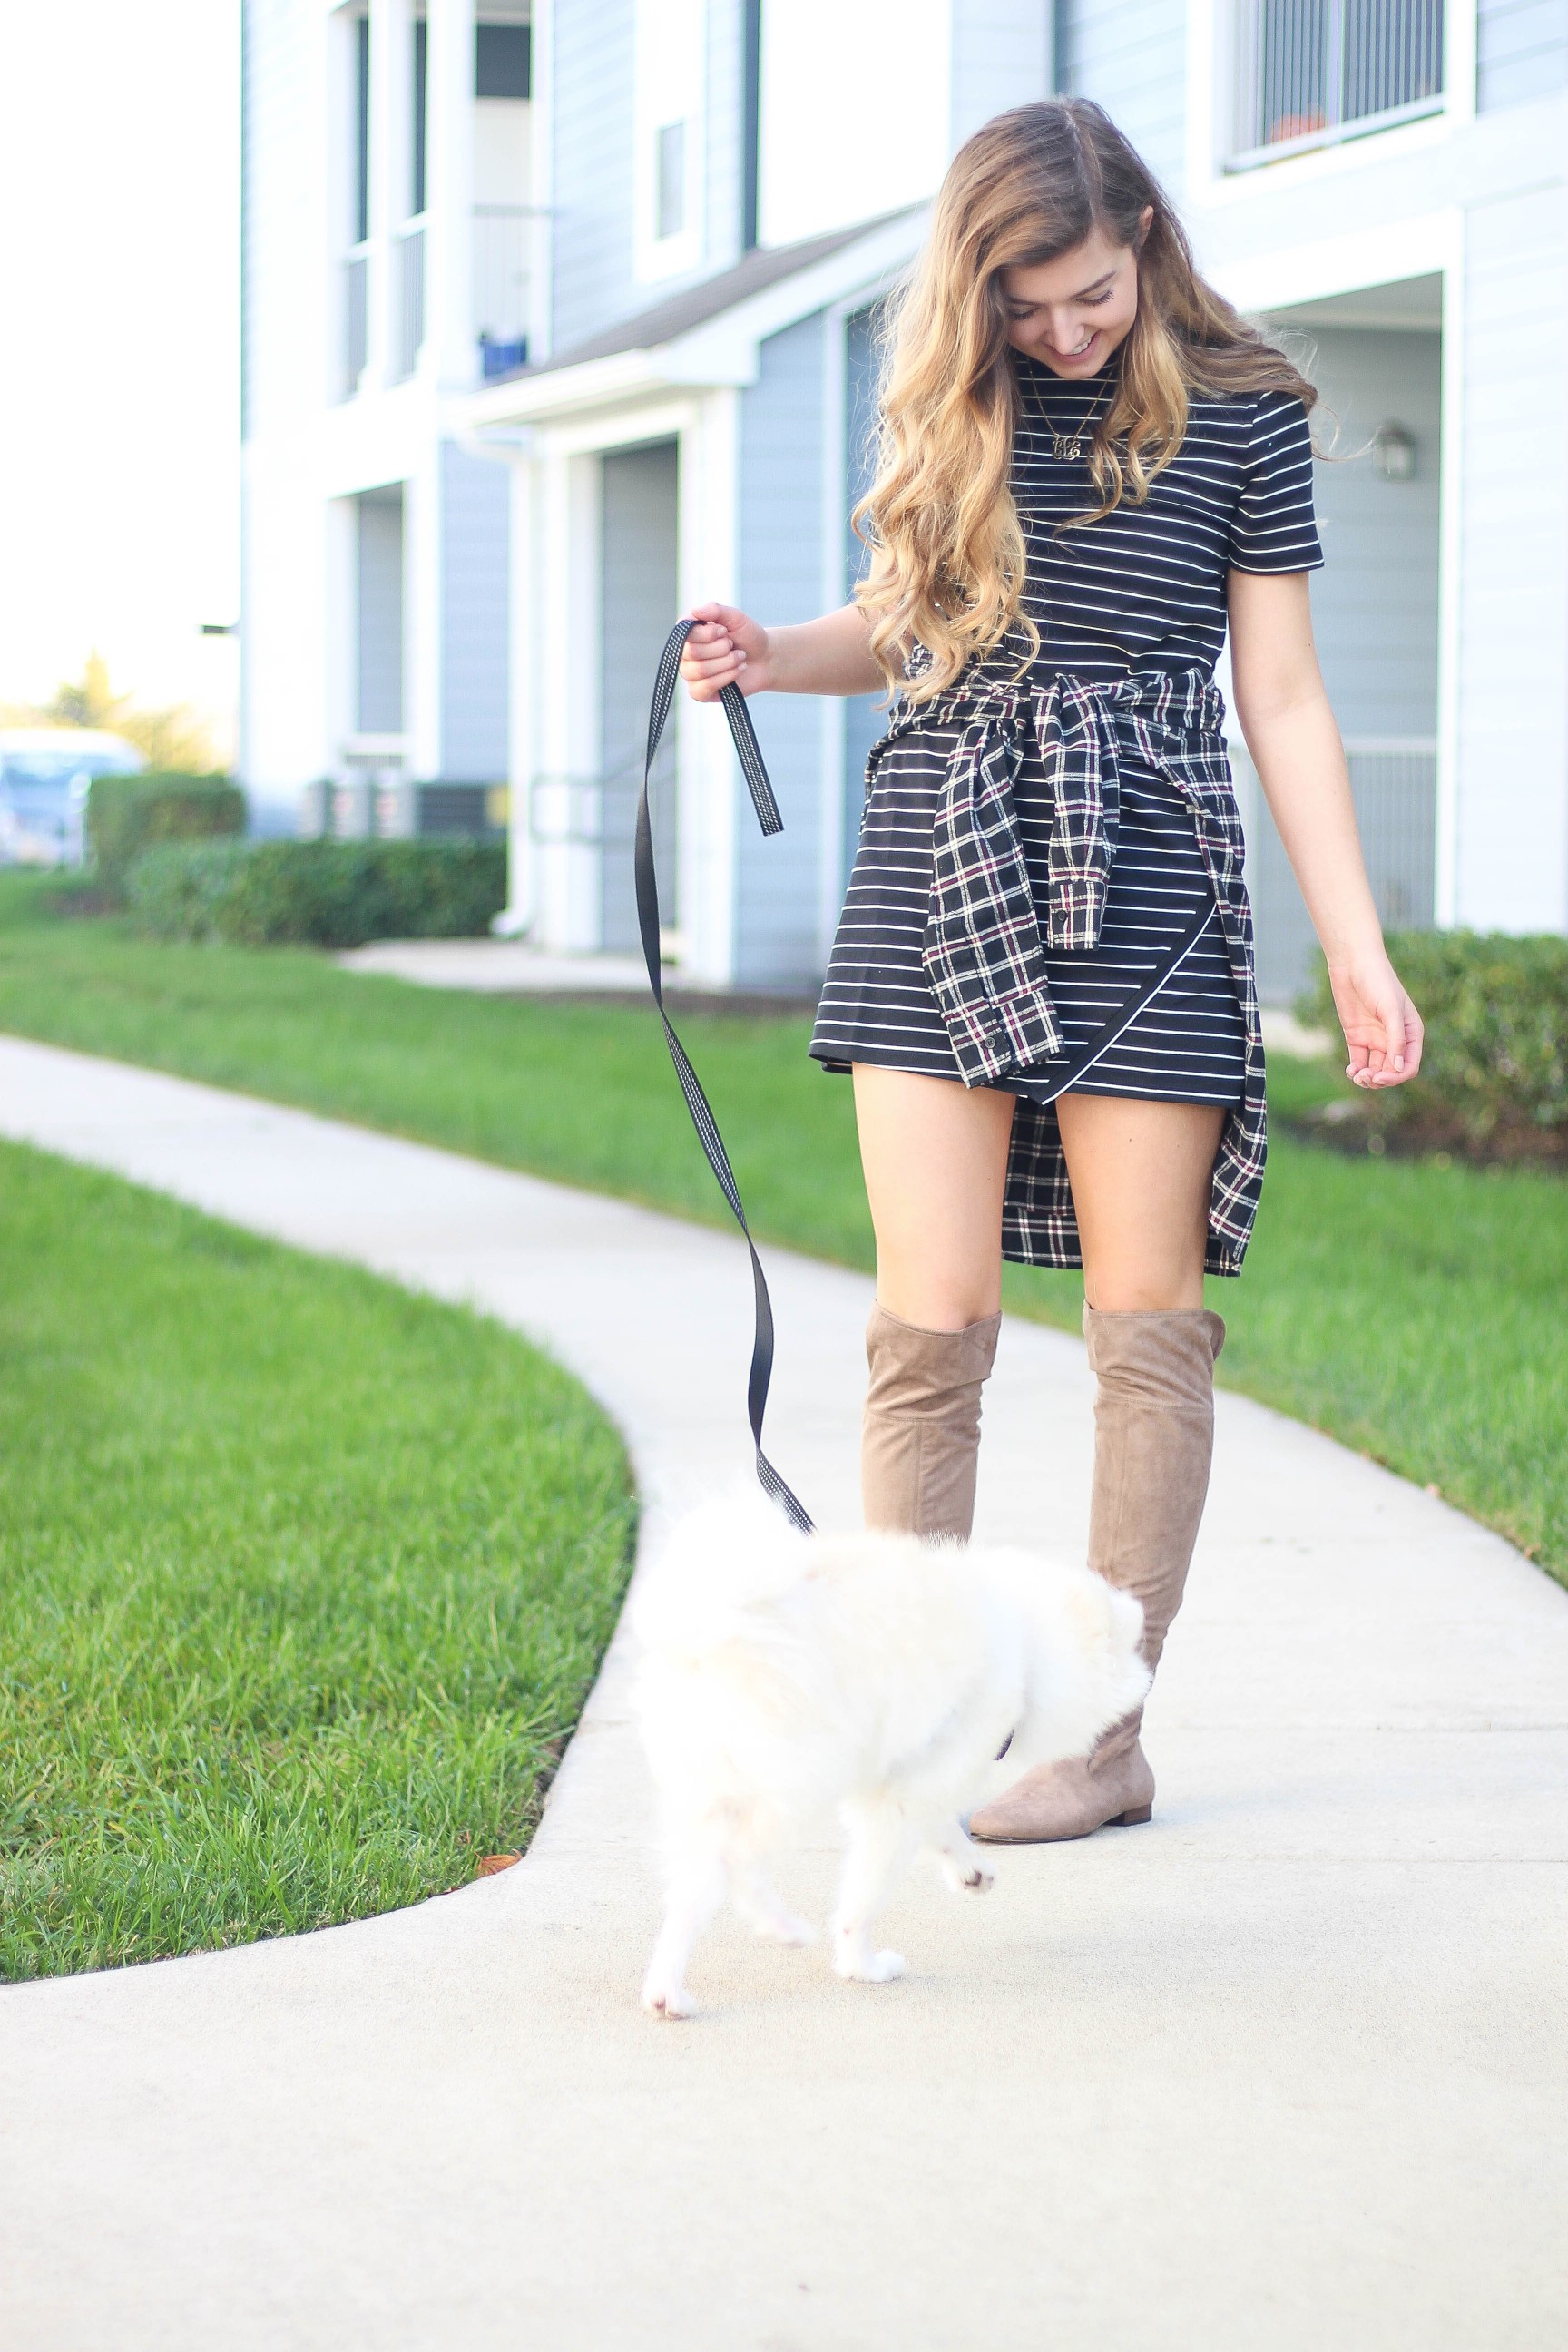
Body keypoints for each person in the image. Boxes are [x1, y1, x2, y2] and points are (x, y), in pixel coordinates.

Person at [678, 98, 1422, 1844]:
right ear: (974, 289)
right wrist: (779, 653)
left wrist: (1360, 949)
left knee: (1144, 1326)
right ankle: (924, 1722)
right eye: (1027, 306)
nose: (1066, 333)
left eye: (1089, 295)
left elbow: (1287, 697)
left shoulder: (1247, 417)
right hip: (944, 851)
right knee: (926, 1328)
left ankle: (1099, 1735)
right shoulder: (954, 401)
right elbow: (918, 621)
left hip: (1152, 864)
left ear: (1144, 242)